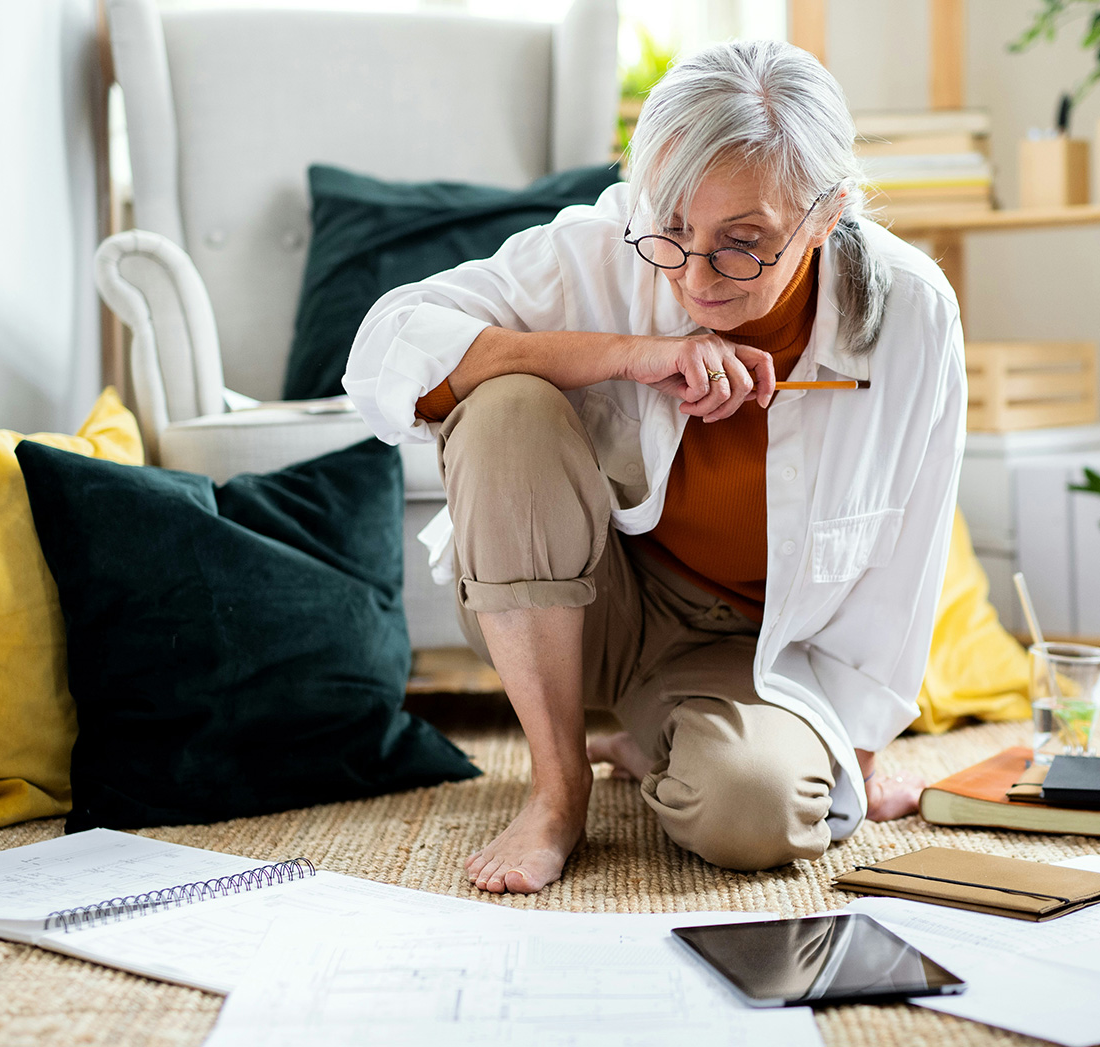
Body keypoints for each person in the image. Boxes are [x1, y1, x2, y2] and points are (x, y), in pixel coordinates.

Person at [343, 39, 964, 894]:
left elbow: (908, 562)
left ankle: (653, 737)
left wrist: (845, 764)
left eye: (743, 242)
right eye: (673, 228)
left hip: (756, 654)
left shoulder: (913, 315)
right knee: (507, 404)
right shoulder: (604, 247)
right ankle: (559, 791)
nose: (697, 276)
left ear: (828, 215)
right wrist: (626, 353)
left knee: (757, 812)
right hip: (590, 605)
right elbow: (386, 351)